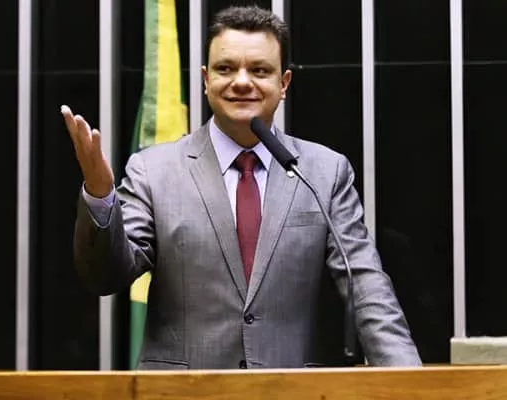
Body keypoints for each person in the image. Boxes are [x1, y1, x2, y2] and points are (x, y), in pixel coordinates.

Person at [61, 5, 421, 369]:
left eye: (260, 70)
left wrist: (408, 382)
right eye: (226, 68)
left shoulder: (324, 173)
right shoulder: (153, 171)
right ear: (206, 79)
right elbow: (105, 275)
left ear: (284, 83)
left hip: (294, 390)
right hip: (184, 391)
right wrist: (100, 193)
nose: (242, 81)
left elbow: (367, 287)